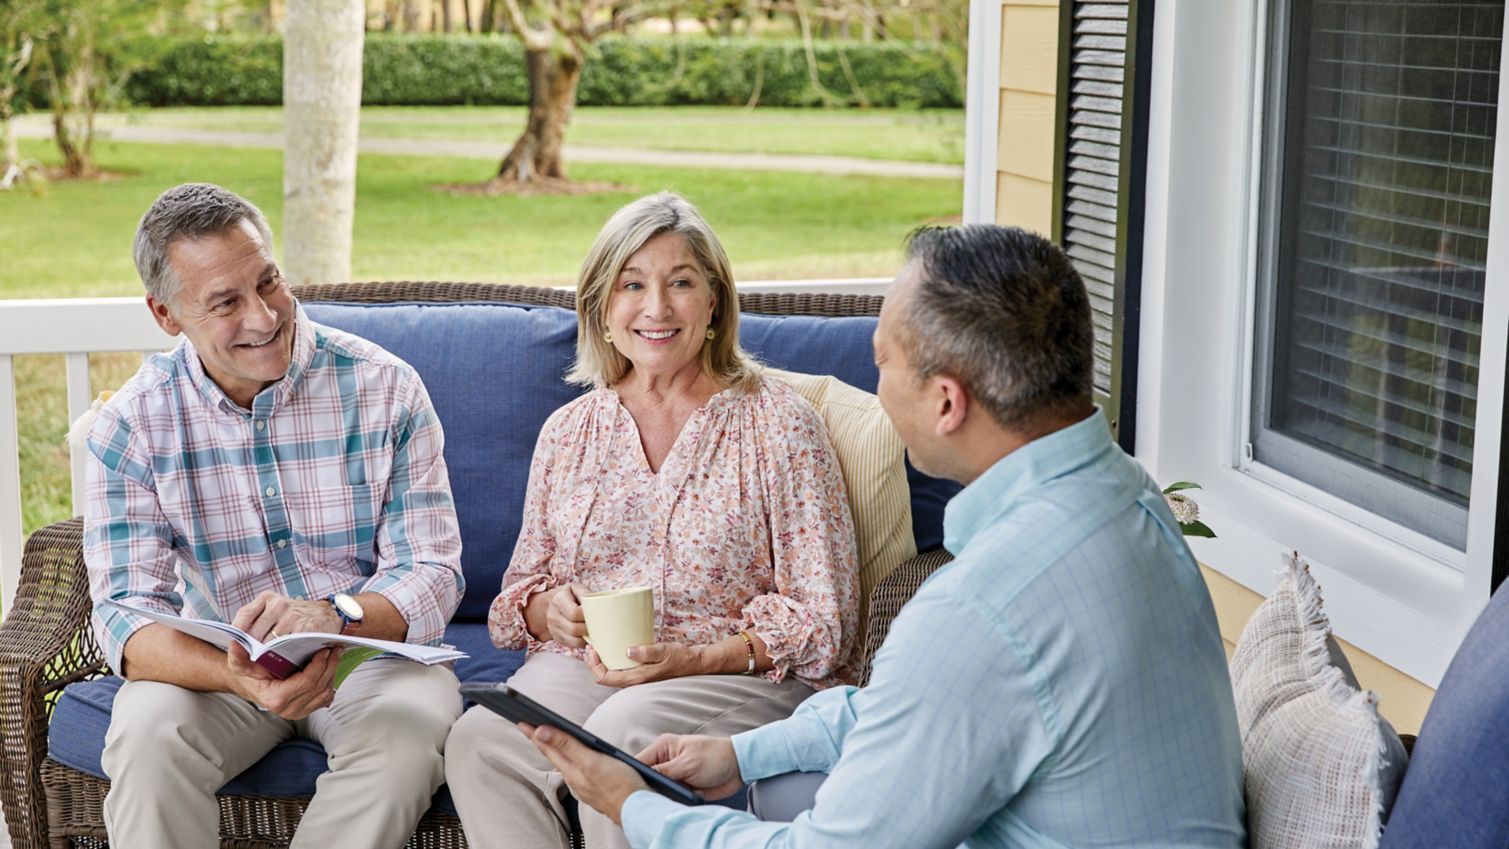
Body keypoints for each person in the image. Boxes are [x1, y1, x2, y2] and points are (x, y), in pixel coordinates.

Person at [520, 224, 1248, 848]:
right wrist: (742, 752)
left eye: (881, 363)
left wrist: (633, 806)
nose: (873, 391)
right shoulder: (1124, 499)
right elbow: (908, 705)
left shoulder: (980, 607)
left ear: (945, 401)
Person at [444, 191, 861, 849]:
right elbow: (515, 600)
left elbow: (823, 623)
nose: (657, 307)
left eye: (681, 283)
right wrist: (549, 611)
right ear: (603, 310)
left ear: (714, 301)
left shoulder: (780, 427)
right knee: (482, 739)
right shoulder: (570, 431)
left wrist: (691, 655)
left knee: (621, 736)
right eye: (631, 284)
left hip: (730, 670)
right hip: (589, 664)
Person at [83, 183, 466, 849]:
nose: (264, 318)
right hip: (217, 669)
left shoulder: (385, 386)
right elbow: (125, 613)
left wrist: (335, 613)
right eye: (226, 303)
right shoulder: (131, 426)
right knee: (147, 733)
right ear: (166, 314)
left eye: (269, 283)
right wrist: (234, 673)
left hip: (367, 656)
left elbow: (433, 569)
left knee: (409, 726)